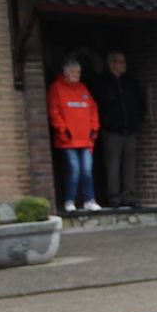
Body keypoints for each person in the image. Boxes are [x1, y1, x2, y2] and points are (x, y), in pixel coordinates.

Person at [46, 57, 101, 212]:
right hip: (68, 139)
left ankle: (89, 200)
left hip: (86, 139)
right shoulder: (56, 88)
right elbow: (54, 112)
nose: (76, 75)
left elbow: (93, 110)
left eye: (78, 72)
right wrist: (62, 130)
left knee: (87, 170)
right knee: (74, 169)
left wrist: (94, 128)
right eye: (73, 72)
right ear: (65, 73)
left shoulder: (83, 88)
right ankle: (69, 201)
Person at [94, 51, 146, 207]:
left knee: (129, 165)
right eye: (121, 62)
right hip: (112, 131)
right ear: (112, 64)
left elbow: (140, 102)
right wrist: (107, 123)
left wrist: (137, 122)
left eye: (124, 61)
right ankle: (113, 197)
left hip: (130, 130)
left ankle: (129, 196)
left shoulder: (130, 82)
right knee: (113, 165)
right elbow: (98, 106)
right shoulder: (102, 83)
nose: (124, 65)